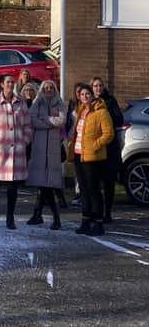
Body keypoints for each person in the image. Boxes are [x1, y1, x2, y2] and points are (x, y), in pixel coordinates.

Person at [0, 74, 33, 230]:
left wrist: (25, 139)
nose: (11, 84)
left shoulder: (21, 103)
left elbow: (28, 126)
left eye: (12, 82)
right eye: (8, 82)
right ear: (2, 84)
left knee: (12, 188)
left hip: (16, 153)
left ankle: (10, 217)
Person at [67, 84, 114, 236]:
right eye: (82, 94)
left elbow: (109, 134)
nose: (85, 96)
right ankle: (86, 220)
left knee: (94, 190)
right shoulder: (80, 111)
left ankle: (98, 223)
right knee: (84, 191)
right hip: (79, 155)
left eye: (87, 93)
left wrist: (95, 145)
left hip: (92, 157)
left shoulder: (101, 111)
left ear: (92, 95)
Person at [26, 80, 66, 230]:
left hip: (53, 149)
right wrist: (49, 122)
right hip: (40, 147)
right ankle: (40, 215)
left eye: (51, 87)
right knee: (43, 184)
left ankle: (49, 217)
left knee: (48, 184)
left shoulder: (59, 103)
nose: (49, 90)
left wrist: (45, 120)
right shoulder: (38, 103)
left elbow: (61, 120)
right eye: (46, 88)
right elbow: (32, 120)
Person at [91, 77, 123, 224]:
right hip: (95, 148)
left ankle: (108, 213)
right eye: (95, 86)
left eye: (100, 85)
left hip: (110, 147)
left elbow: (119, 119)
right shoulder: (89, 103)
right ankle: (96, 212)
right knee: (95, 182)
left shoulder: (110, 101)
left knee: (109, 182)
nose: (98, 88)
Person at [66, 82, 86, 207]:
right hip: (74, 140)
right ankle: (78, 193)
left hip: (84, 141)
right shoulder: (72, 105)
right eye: (78, 92)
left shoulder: (86, 106)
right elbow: (69, 122)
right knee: (77, 170)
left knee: (84, 170)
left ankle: (84, 195)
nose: (79, 94)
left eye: (82, 92)